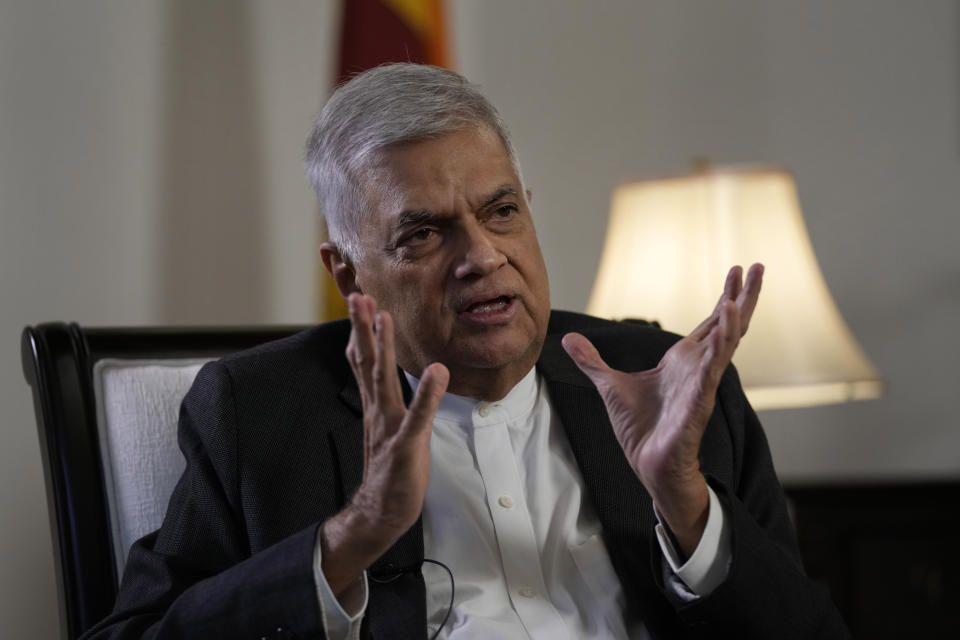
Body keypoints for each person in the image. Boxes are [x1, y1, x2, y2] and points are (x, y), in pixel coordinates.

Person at [83, 63, 849, 639]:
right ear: (348, 273)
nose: (482, 256)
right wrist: (348, 541)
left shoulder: (663, 378)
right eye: (422, 233)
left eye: (501, 211)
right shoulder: (258, 410)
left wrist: (686, 504)